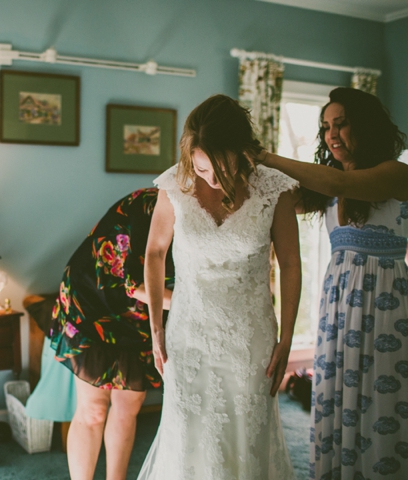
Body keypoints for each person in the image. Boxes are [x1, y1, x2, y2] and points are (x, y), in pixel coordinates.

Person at [250, 87, 408, 479]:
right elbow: (284, 200)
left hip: (385, 303)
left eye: (341, 124)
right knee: (339, 390)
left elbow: (340, 185)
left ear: (365, 128)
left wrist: (265, 155)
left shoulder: (397, 172)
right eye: (326, 127)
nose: (331, 134)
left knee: (382, 398)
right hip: (340, 303)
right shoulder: (328, 187)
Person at [139, 94, 301, 479]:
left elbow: (292, 264)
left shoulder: (272, 189)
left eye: (221, 169)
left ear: (243, 152)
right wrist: (156, 329)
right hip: (188, 333)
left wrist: (287, 337)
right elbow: (154, 253)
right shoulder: (175, 185)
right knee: (187, 433)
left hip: (250, 337)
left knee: (245, 436)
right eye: (202, 169)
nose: (210, 180)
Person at [47, 188, 174, 480]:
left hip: (143, 315)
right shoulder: (151, 205)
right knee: (93, 410)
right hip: (94, 300)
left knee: (129, 407)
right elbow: (133, 284)